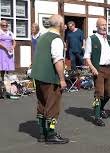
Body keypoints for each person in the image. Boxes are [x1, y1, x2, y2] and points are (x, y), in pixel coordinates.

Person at [30, 14, 69, 144]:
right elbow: (58, 60)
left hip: (38, 76)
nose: (64, 26)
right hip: (50, 78)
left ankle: (42, 133)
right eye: (63, 23)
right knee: (52, 106)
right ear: (59, 25)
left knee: (41, 104)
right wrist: (62, 79)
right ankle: (51, 134)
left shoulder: (42, 37)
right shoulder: (56, 39)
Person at [84, 17, 110, 127]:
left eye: (105, 25)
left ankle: (100, 108)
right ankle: (97, 117)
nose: (104, 27)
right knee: (99, 93)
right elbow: (87, 56)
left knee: (108, 93)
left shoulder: (109, 38)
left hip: (109, 68)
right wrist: (92, 68)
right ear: (97, 26)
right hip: (98, 69)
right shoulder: (91, 38)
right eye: (102, 25)